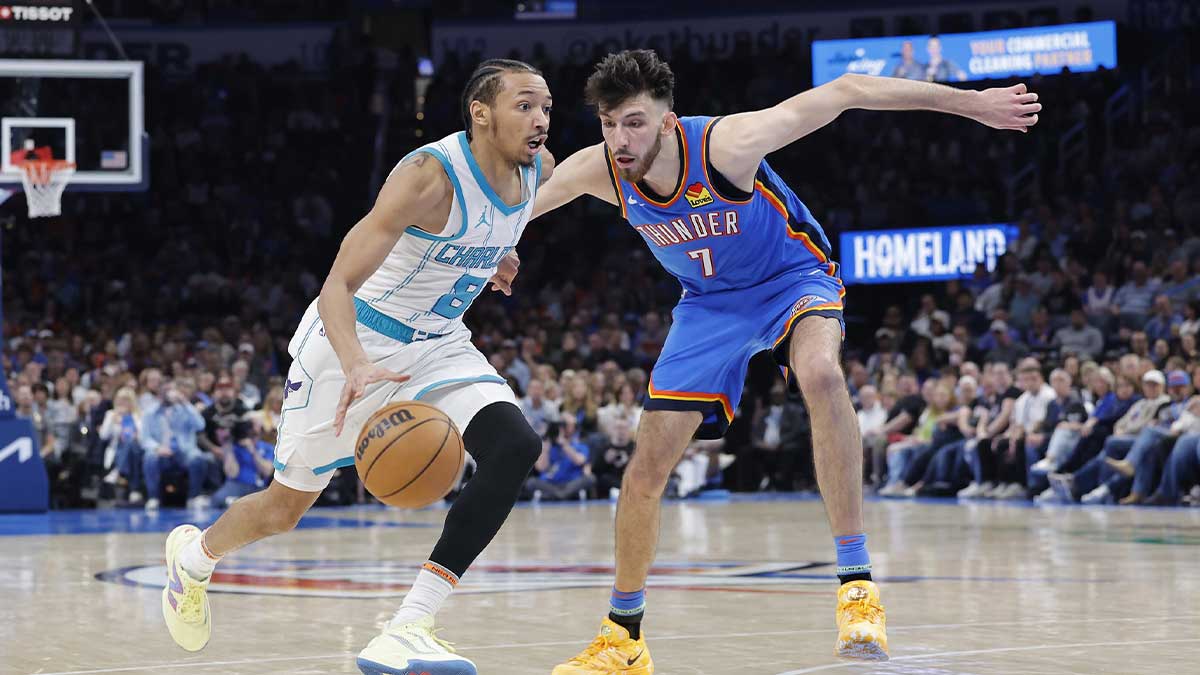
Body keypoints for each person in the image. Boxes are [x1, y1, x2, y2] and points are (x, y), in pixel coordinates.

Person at [533, 49, 1039, 669]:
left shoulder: (728, 145)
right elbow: (512, 213)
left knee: (820, 372)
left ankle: (857, 587)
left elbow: (849, 89)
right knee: (644, 471)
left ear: (668, 122)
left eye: (634, 122)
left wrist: (974, 105)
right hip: (709, 306)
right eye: (609, 125)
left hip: (792, 280)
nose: (619, 138)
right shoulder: (599, 170)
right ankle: (624, 638)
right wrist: (500, 253)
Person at [158, 58, 555, 675]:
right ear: (481, 113)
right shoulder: (427, 176)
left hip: (438, 344)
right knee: (283, 509)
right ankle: (195, 557)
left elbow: (496, 226)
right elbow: (337, 284)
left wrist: (498, 258)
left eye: (546, 107)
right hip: (353, 342)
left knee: (514, 445)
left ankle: (408, 625)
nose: (540, 120)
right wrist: (356, 364)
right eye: (525, 105)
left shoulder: (538, 171)